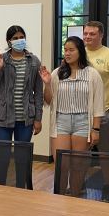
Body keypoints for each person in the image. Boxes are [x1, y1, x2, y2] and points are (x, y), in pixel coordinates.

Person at [39, 36, 104, 196]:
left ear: (80, 51)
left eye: (71, 50)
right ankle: (59, 197)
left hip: (83, 122)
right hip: (61, 121)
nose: (67, 53)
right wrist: (47, 84)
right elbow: (47, 101)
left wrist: (95, 129)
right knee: (61, 165)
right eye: (65, 50)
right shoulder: (57, 73)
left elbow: (98, 104)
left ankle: (75, 196)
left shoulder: (92, 74)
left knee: (78, 165)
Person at [0, 25, 43, 188]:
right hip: (2, 117)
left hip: (25, 119)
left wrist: (38, 119)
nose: (19, 41)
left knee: (22, 157)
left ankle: (20, 190)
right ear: (9, 41)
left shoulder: (33, 61)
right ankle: (0, 189)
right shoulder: (1, 60)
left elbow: (38, 93)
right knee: (3, 156)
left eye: (21, 37)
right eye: (15, 38)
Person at [83, 21, 109, 202]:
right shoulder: (78, 52)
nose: (87, 37)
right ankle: (79, 185)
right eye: (85, 33)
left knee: (106, 154)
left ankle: (107, 186)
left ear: (101, 35)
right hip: (81, 113)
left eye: (92, 34)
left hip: (104, 112)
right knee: (81, 152)